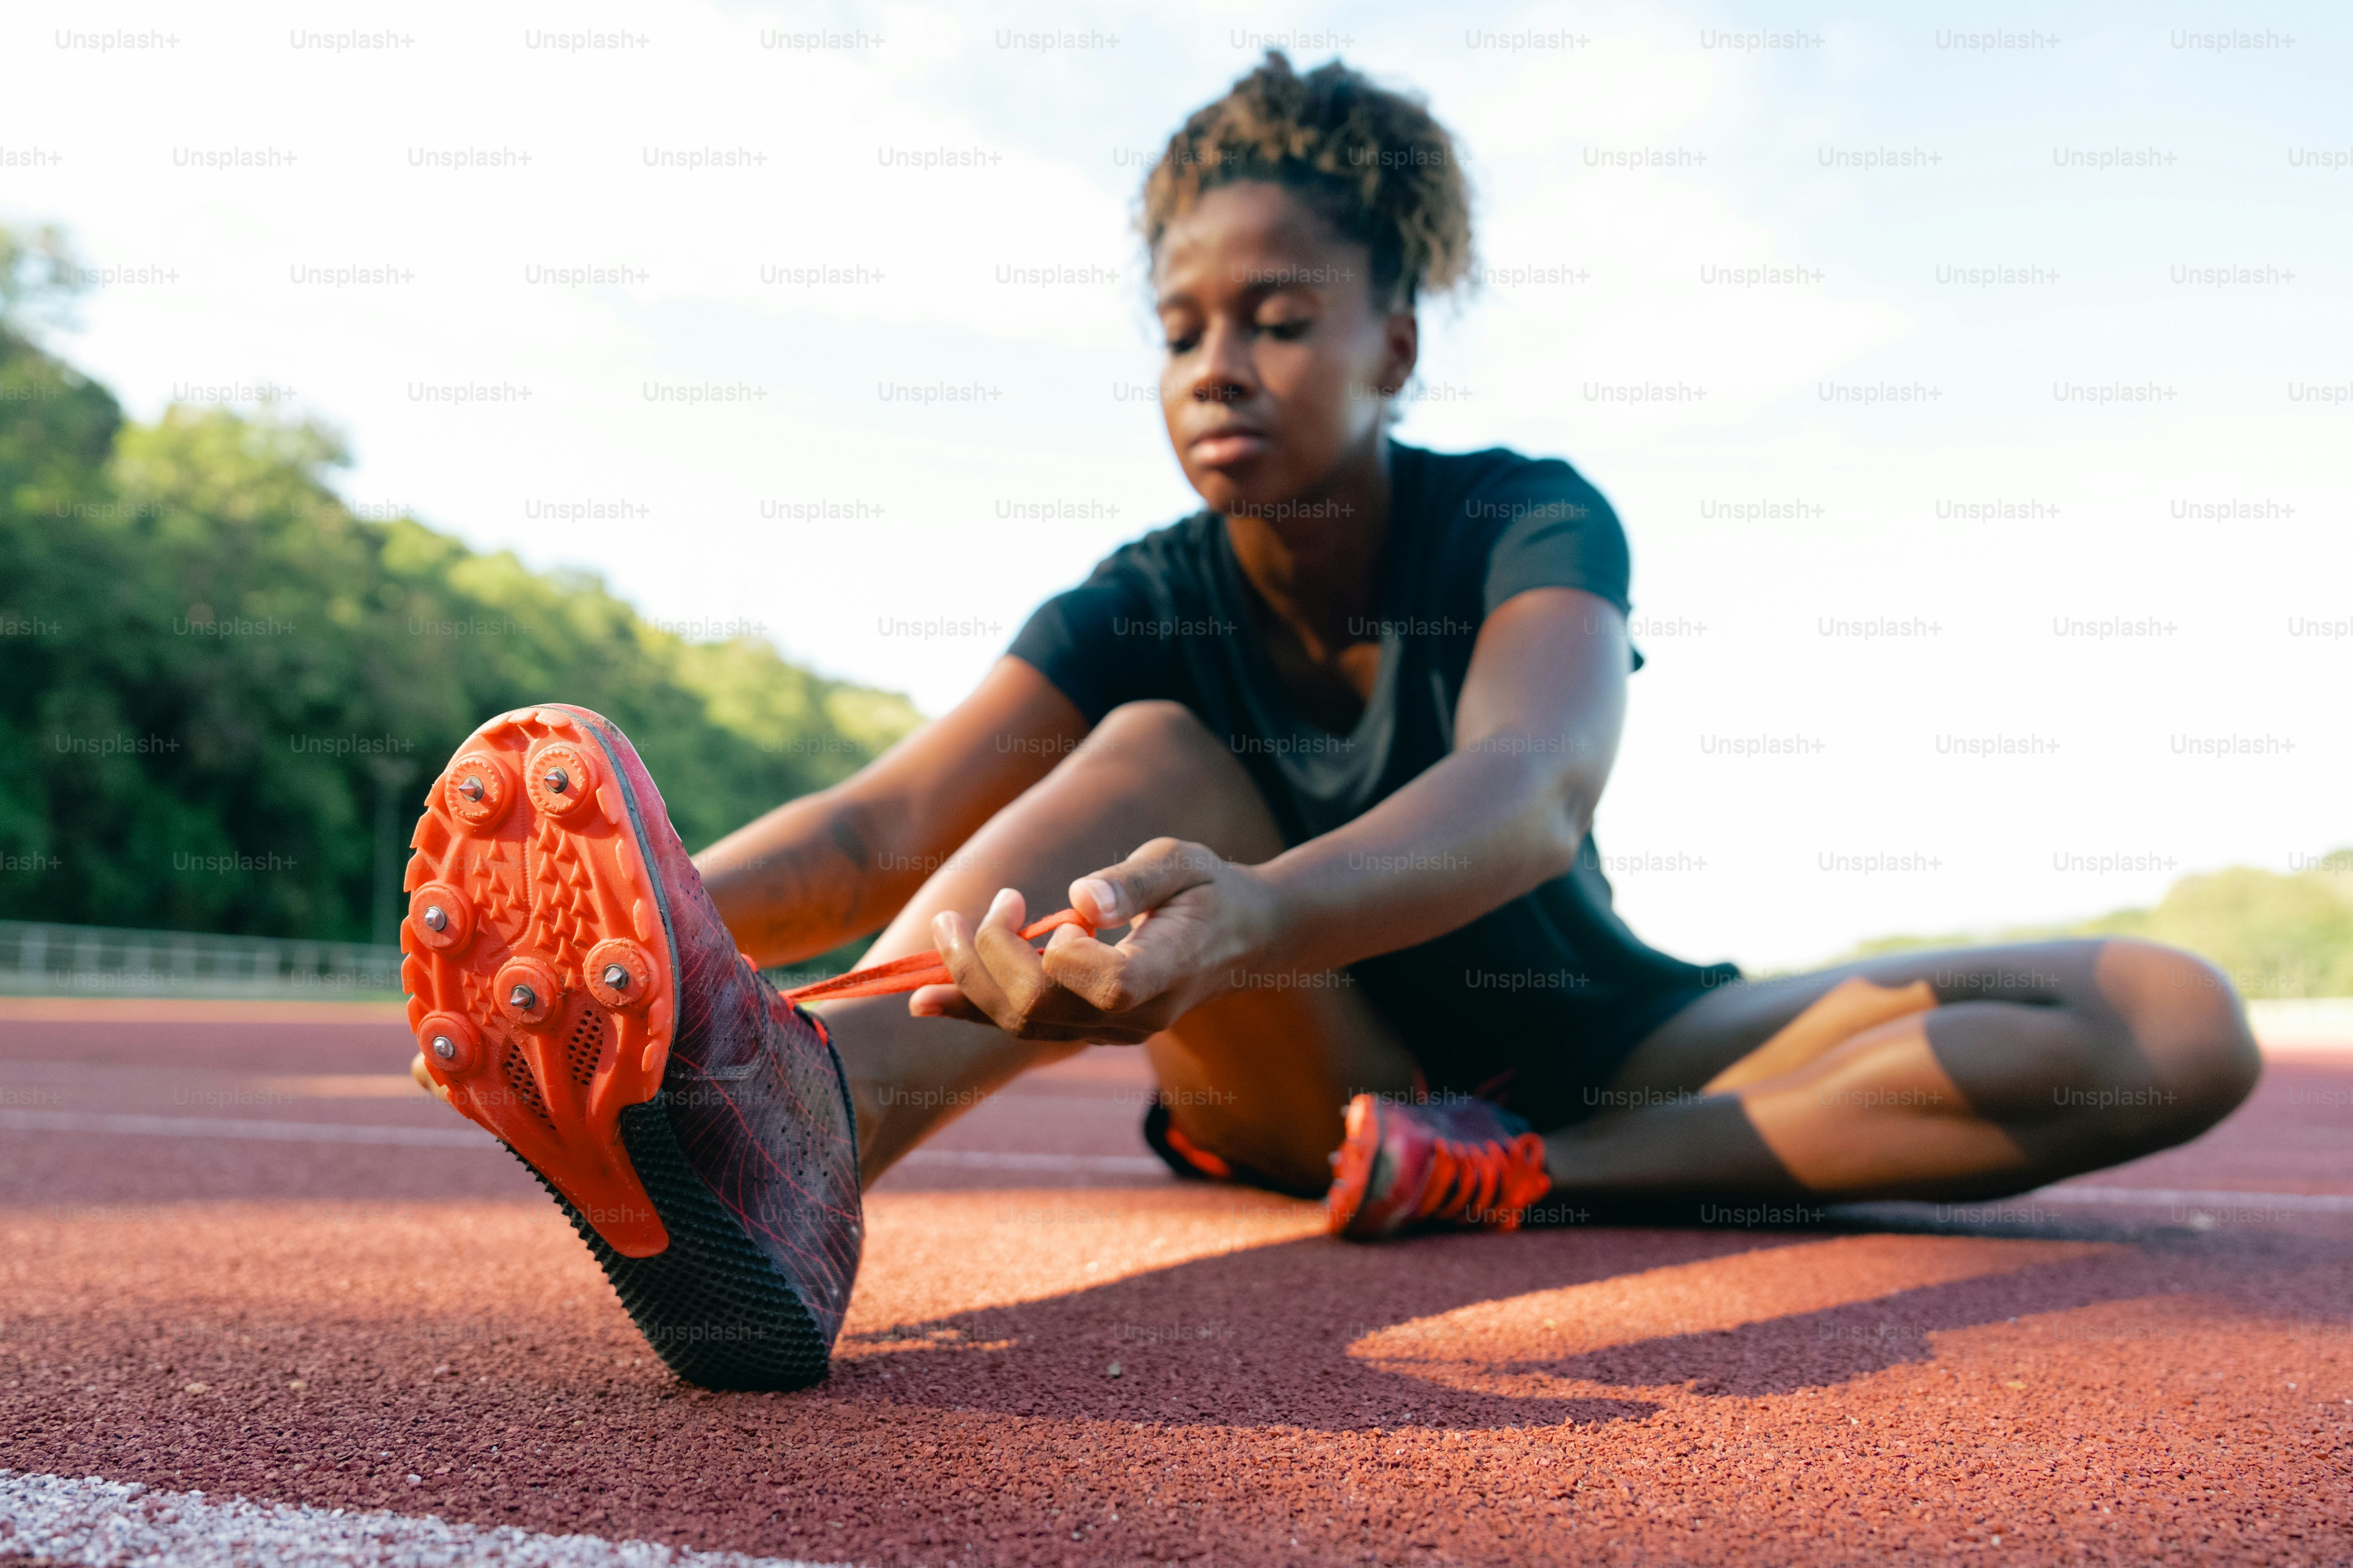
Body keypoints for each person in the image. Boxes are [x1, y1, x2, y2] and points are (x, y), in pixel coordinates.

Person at [401, 54, 2260, 1390]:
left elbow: (1529, 793)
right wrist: (608, 934)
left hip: (1599, 1039)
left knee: (2171, 1018)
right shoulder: (1145, 595)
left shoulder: (1528, 517)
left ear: (1397, 343)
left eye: (1279, 317)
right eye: (1181, 325)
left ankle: (1526, 1181)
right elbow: (891, 828)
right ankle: (803, 1136)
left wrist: (1270, 906)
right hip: (1309, 1065)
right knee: (1148, 757)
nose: (1219, 363)